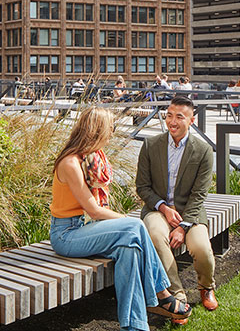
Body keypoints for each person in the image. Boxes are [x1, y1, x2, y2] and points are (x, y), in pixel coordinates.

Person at [50, 108, 191, 329]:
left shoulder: (89, 158)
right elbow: (95, 211)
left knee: (130, 250)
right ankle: (163, 292)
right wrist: (125, 220)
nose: (111, 134)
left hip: (81, 228)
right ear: (97, 131)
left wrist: (125, 224)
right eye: (109, 129)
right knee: (134, 226)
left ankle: (134, 326)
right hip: (66, 235)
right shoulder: (71, 163)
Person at [135, 96, 218, 312]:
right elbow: (142, 187)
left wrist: (183, 226)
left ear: (191, 120)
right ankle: (176, 295)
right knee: (155, 235)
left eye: (179, 117)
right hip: (157, 209)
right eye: (169, 115)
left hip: (190, 213)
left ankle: (206, 287)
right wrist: (163, 208)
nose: (172, 121)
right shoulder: (151, 145)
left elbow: (200, 194)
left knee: (202, 248)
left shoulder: (203, 151)